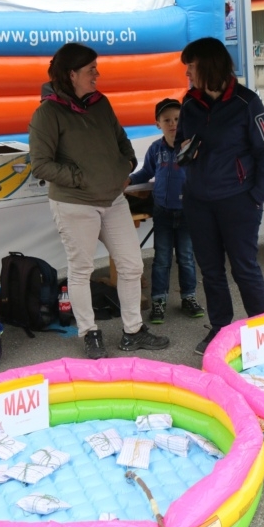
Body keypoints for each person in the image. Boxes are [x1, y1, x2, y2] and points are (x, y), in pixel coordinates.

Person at [28, 43, 169, 359]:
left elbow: (121, 141)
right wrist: (82, 178)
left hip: (113, 200)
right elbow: (40, 165)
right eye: (91, 69)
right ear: (72, 74)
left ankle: (133, 331)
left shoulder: (101, 103)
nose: (97, 74)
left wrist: (126, 165)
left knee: (131, 265)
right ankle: (89, 332)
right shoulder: (47, 114)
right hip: (75, 204)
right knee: (81, 269)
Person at [175, 36, 264, 355]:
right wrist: (184, 151)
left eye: (191, 67)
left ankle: (263, 335)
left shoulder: (247, 103)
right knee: (211, 271)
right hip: (198, 202)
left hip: (239, 201)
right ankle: (220, 329)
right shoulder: (189, 103)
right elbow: (179, 143)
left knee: (244, 268)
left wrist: (257, 196)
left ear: (209, 65)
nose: (187, 74)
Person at [129, 98, 205, 324]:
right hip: (162, 213)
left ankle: (189, 298)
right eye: (167, 120)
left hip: (187, 213)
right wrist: (128, 180)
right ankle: (158, 301)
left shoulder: (193, 147)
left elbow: (204, 174)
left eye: (177, 119)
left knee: (187, 258)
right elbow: (145, 172)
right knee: (161, 259)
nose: (173, 124)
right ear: (158, 124)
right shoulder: (155, 149)